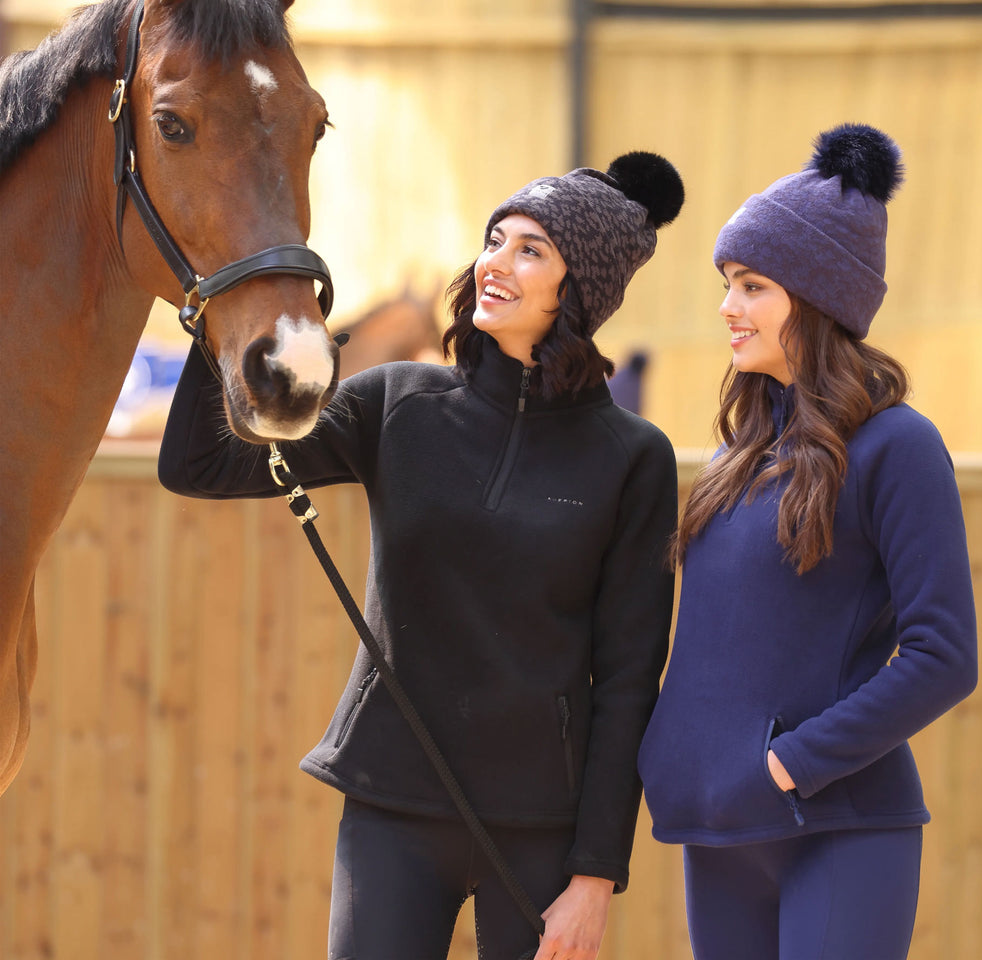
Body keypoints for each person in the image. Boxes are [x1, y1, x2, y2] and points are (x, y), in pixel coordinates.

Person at [158, 151, 684, 960]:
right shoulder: (397, 403)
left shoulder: (632, 457)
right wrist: (220, 314)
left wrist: (595, 878)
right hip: (390, 806)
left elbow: (626, 680)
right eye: (495, 239)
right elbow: (204, 466)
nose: (495, 263)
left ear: (577, 291)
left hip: (541, 827)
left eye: (530, 250)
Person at [637, 124, 979, 960]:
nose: (728, 307)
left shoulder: (900, 446)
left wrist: (789, 764)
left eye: (752, 285)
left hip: (843, 830)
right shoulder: (734, 457)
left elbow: (944, 656)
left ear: (817, 298)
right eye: (728, 283)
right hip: (721, 835)